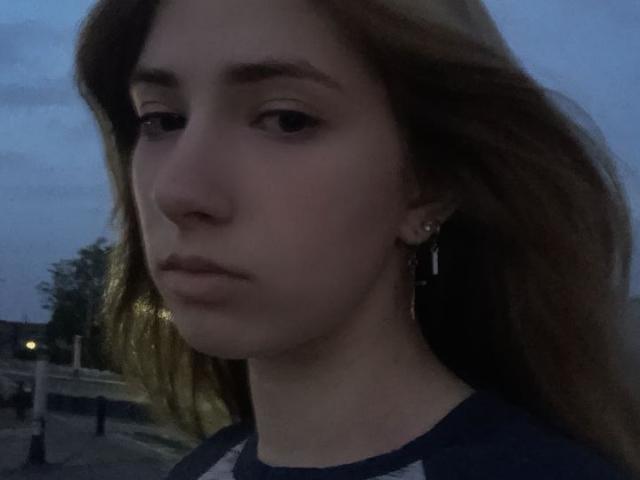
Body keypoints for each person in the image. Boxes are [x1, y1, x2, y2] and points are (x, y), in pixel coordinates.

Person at [73, 0, 640, 478]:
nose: (177, 191)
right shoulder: (203, 467)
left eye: (287, 119)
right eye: (162, 120)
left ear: (429, 185)